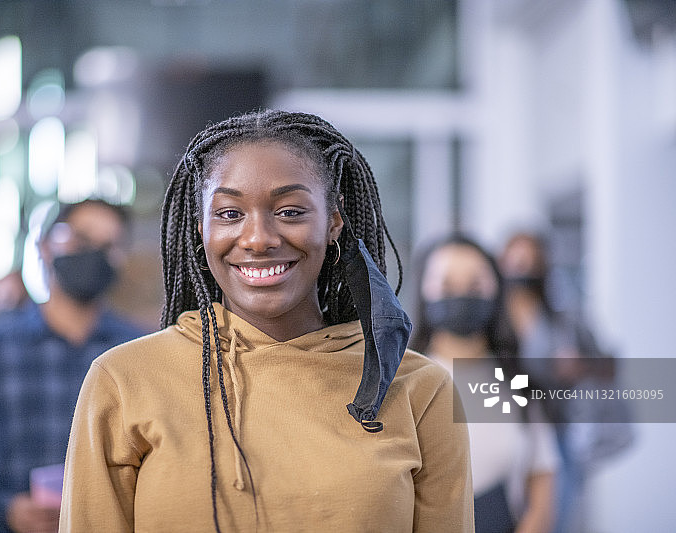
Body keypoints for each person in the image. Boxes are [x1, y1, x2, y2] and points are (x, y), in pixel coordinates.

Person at [59, 110, 474, 532]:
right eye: (229, 214)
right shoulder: (124, 379)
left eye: (290, 211)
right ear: (200, 229)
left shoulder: (420, 389)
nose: (258, 239)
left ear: (333, 222)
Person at [0, 199, 145, 533]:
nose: (94, 255)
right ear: (45, 247)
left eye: (108, 246)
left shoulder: (138, 355)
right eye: (81, 241)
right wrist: (4, 512)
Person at [410, 233, 559, 533]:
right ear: (424, 291)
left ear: (496, 289)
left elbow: (542, 485)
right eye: (447, 285)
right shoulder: (404, 381)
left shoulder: (517, 382)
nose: (461, 295)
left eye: (475, 285)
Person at [499, 231, 632, 533]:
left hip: (556, 431)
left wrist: (578, 366)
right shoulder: (493, 321)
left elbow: (608, 365)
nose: (522, 272)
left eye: (531, 263)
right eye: (516, 263)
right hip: (509, 430)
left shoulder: (565, 320)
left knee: (555, 516)